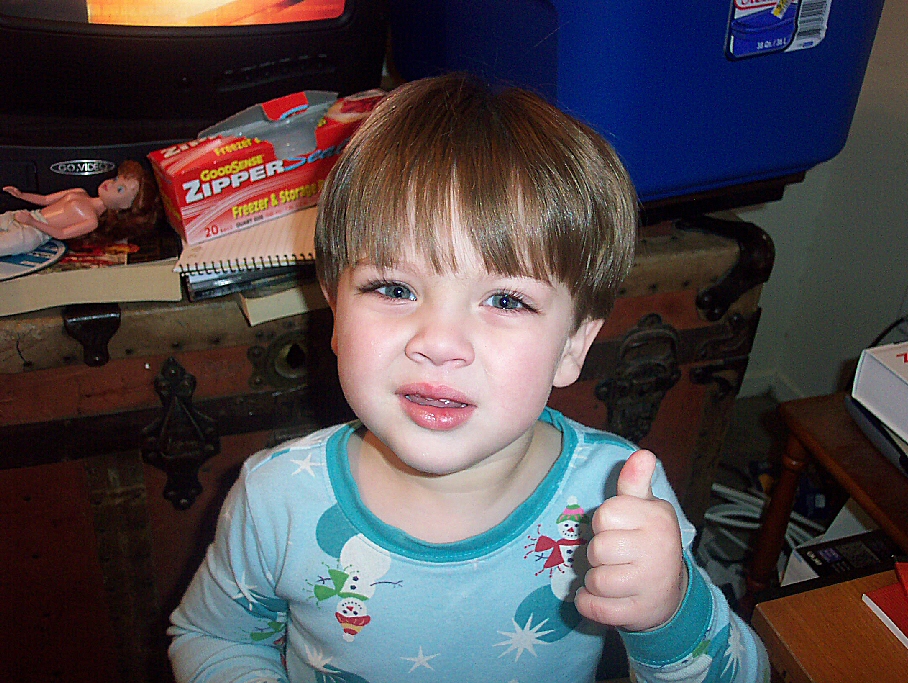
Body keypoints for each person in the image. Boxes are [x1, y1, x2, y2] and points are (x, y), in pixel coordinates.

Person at [168, 74, 769, 683]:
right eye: (394, 289)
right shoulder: (276, 499)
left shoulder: (616, 499)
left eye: (506, 300)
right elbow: (211, 637)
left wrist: (670, 615)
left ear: (573, 345)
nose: (439, 343)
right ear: (335, 310)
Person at [1, 159, 159, 256]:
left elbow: (61, 233)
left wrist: (32, 223)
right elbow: (45, 199)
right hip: (26, 215)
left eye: (120, 189)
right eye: (116, 178)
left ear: (124, 206)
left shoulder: (91, 221)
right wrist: (21, 195)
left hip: (34, 232)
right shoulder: (80, 192)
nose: (111, 184)